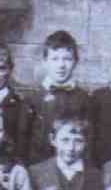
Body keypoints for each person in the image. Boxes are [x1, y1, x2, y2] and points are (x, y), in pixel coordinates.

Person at [30, 31, 90, 165]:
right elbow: (24, 140)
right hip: (40, 169)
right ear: (45, 62)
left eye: (67, 59)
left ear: (75, 62)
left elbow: (89, 141)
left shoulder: (84, 99)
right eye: (55, 59)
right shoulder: (33, 99)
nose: (61, 65)